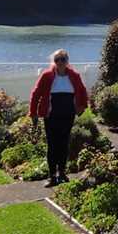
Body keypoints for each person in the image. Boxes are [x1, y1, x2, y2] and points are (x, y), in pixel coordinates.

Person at [29, 49, 88, 187]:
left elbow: (82, 91)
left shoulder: (74, 75)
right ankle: (52, 176)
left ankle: (62, 173)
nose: (60, 62)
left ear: (67, 61)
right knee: (52, 145)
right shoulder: (47, 76)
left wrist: (82, 107)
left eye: (63, 59)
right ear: (53, 62)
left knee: (64, 144)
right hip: (51, 116)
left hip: (68, 115)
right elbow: (35, 94)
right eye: (57, 60)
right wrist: (33, 113)